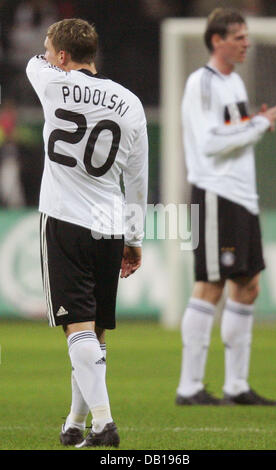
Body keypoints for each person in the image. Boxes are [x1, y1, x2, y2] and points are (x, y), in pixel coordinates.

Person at [26, 18, 148, 447]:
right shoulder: (130, 103)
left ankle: (104, 424)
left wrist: (47, 58)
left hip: (63, 218)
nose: (44, 55)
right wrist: (134, 238)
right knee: (94, 333)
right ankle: (76, 424)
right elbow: (137, 178)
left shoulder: (48, 81)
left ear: (61, 56)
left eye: (49, 50)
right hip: (109, 225)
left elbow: (34, 63)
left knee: (77, 327)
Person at [176, 8, 276, 406]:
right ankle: (189, 386)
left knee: (249, 286)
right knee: (212, 284)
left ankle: (236, 385)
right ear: (217, 40)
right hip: (215, 192)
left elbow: (231, 132)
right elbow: (209, 142)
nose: (247, 43)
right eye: (238, 36)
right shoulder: (200, 83)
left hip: (242, 195)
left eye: (246, 35)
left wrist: (251, 123)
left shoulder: (234, 82)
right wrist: (255, 126)